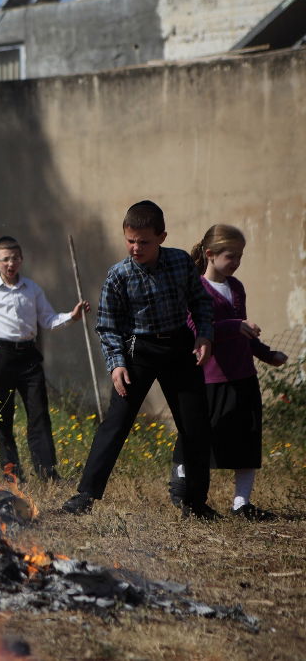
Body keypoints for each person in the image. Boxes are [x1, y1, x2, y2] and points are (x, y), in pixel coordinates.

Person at [62, 200, 218, 518]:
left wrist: (204, 334)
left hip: (179, 348)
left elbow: (200, 301)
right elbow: (107, 324)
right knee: (116, 423)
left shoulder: (180, 263)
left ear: (162, 236)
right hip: (138, 352)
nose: (136, 247)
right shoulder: (118, 275)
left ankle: (196, 502)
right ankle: (85, 496)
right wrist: (116, 363)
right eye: (130, 240)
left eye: (144, 241)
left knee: (195, 425)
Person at [167, 225, 288, 520]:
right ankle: (183, 492)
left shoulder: (236, 288)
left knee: (246, 442)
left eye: (240, 257)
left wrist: (266, 354)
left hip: (243, 376)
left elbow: (243, 332)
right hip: (209, 379)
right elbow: (195, 330)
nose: (236, 262)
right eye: (230, 256)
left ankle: (241, 504)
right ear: (210, 254)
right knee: (196, 439)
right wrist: (236, 326)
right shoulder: (196, 289)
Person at [0, 236, 89, 483]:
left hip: (29, 358)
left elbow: (48, 320)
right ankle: (11, 471)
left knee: (39, 413)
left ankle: (47, 472)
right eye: (5, 259)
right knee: (3, 415)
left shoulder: (32, 289)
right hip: (1, 356)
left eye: (15, 258)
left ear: (21, 260)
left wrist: (72, 317)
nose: (11, 263)